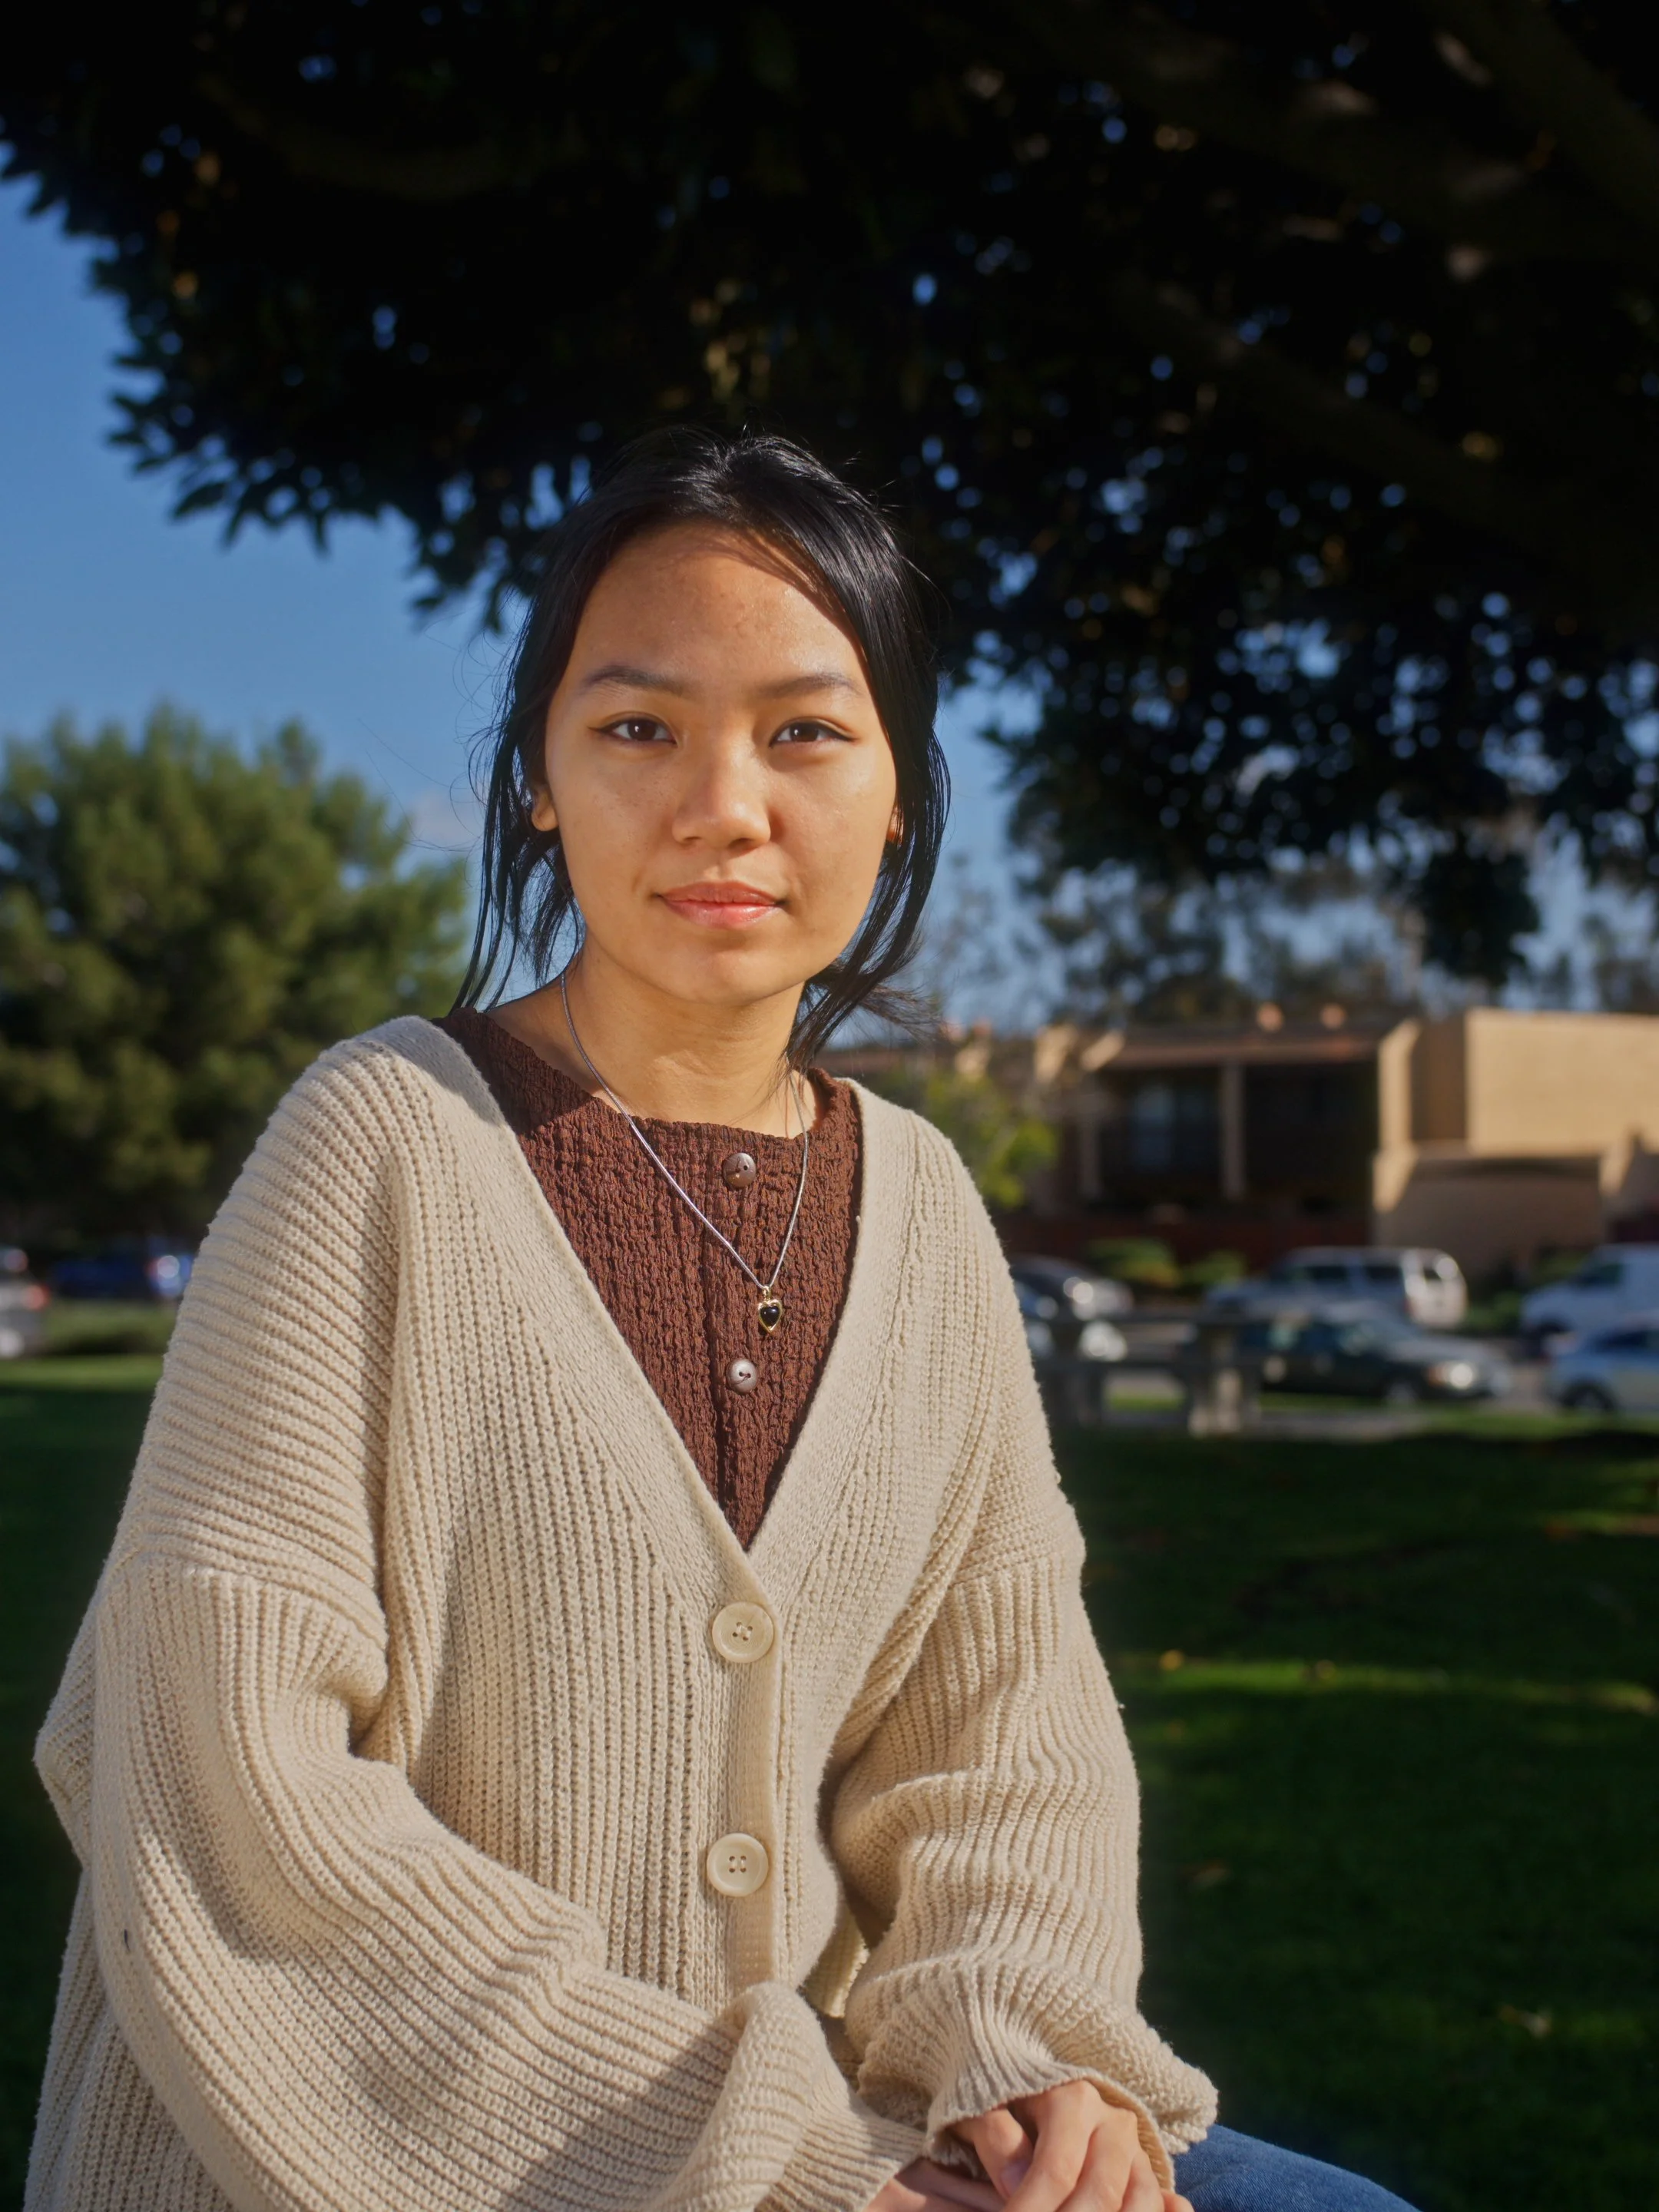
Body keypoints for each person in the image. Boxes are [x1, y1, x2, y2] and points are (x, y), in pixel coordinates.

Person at [25, 430, 1417, 2212]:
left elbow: (996, 1739)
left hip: (856, 2146)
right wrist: (775, 2171)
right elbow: (228, 1801)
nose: (724, 806)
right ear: (535, 776)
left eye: (806, 731)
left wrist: (1036, 2059)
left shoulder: (919, 1208)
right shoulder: (378, 1143)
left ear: (901, 788)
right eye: (638, 728)